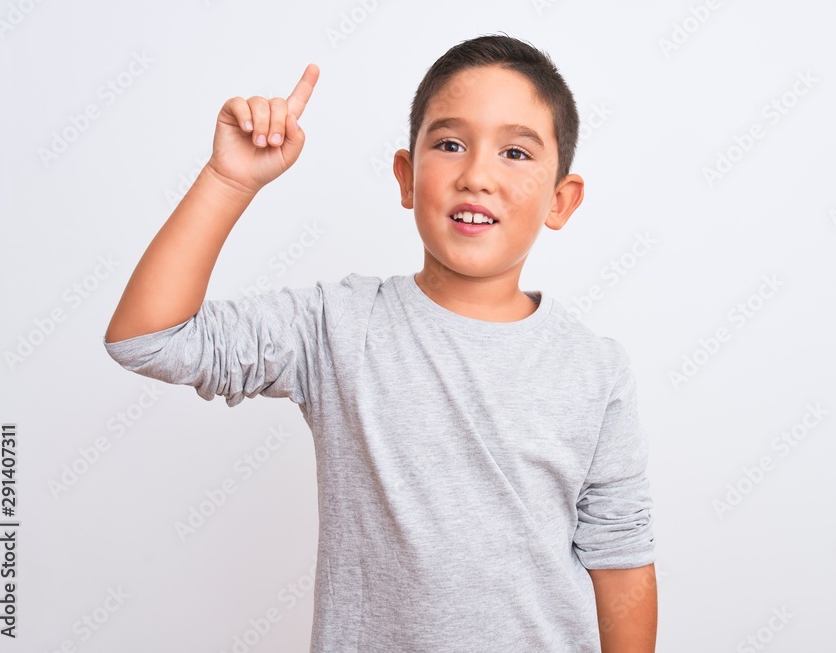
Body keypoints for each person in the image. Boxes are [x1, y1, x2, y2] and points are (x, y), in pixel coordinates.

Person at [104, 33, 657, 652]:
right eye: (450, 144)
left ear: (561, 199)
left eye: (515, 153)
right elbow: (147, 338)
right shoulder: (336, 326)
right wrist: (229, 180)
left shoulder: (595, 369)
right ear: (405, 175)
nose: (476, 175)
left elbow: (621, 557)